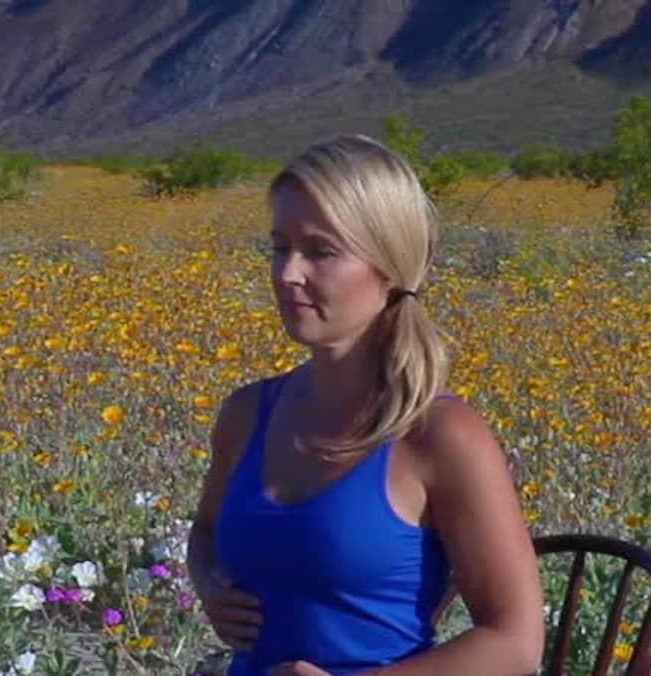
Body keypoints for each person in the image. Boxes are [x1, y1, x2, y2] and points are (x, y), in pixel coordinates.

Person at [186, 135, 545, 676]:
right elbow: (205, 534)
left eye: (321, 252)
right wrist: (210, 585)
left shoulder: (439, 435)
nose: (287, 274)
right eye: (280, 247)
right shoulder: (248, 413)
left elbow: (515, 644)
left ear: (389, 268)